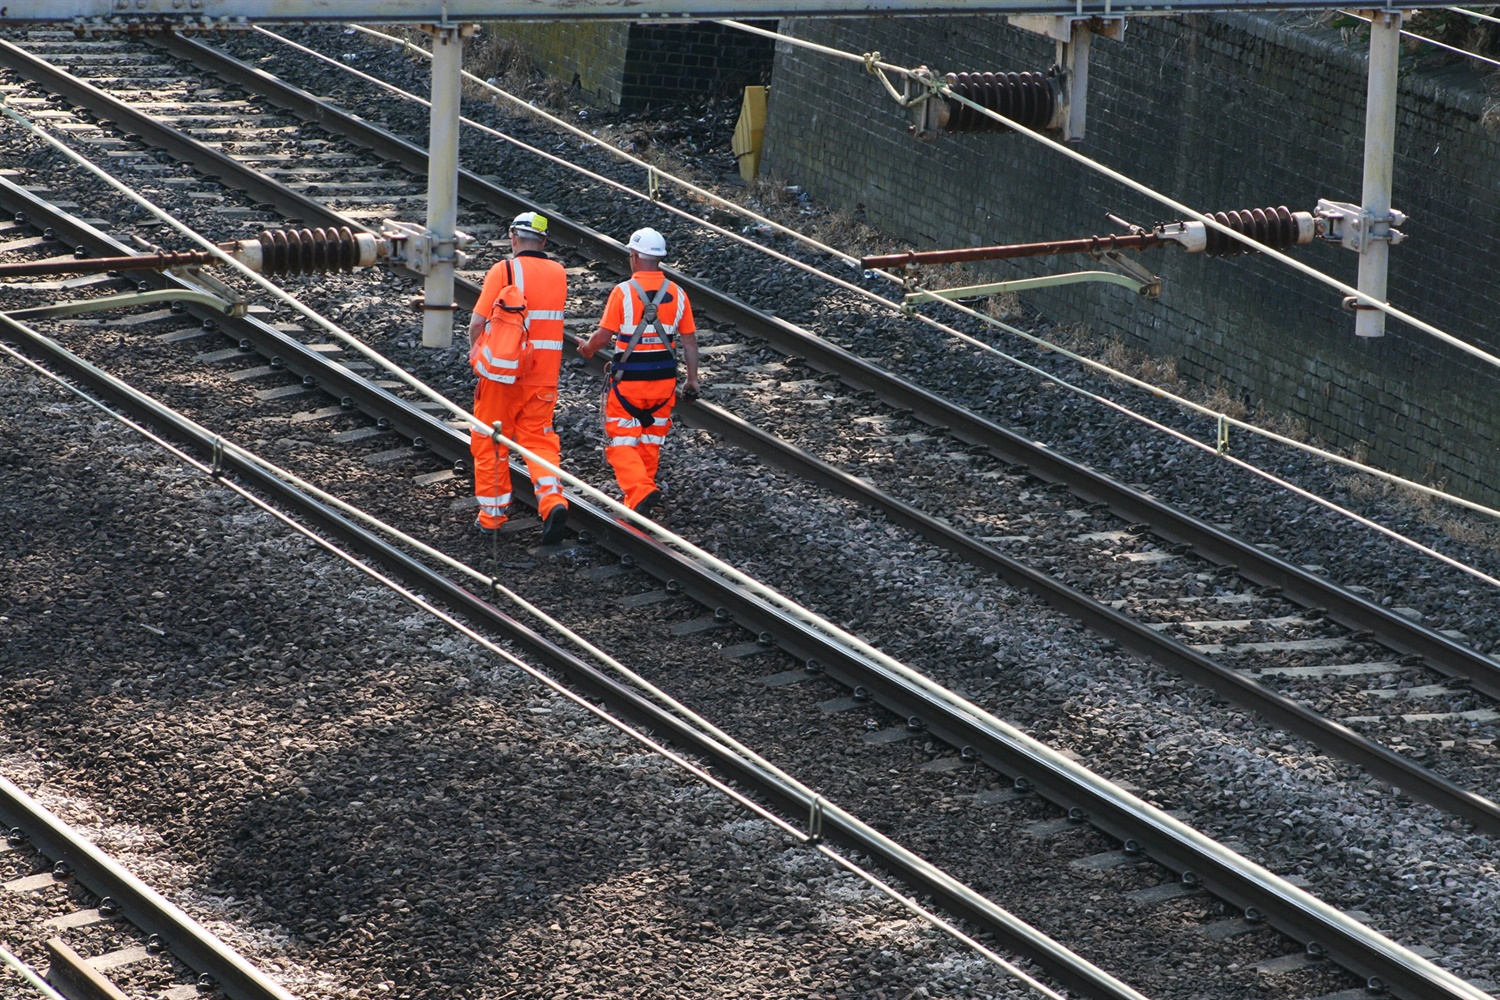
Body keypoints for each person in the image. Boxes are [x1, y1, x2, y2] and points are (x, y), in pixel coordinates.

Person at [575, 227, 700, 517]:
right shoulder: (679, 294)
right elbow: (690, 341)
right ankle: (638, 504)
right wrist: (692, 380)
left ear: (634, 257)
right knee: (650, 441)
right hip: (664, 384)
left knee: (621, 443)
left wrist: (588, 350)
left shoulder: (623, 292)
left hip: (629, 383)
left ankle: (641, 491)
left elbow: (603, 336)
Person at [468, 211, 570, 543]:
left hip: (502, 376)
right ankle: (553, 501)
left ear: (514, 237)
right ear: (543, 241)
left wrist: (476, 354)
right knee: (540, 441)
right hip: (544, 377)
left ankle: (492, 517)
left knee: (491, 441)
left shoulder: (504, 270)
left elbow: (477, 323)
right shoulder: (558, 273)